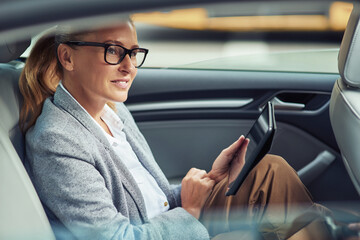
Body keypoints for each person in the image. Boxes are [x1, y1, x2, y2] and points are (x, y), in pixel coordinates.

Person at [19, 20, 329, 240]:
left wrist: (210, 179)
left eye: (133, 53)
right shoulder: (56, 139)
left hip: (169, 224)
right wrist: (191, 210)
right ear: (67, 57)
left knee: (270, 171)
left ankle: (331, 229)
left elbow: (151, 200)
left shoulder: (114, 111)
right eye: (113, 51)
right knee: (312, 227)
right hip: (168, 231)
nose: (129, 67)